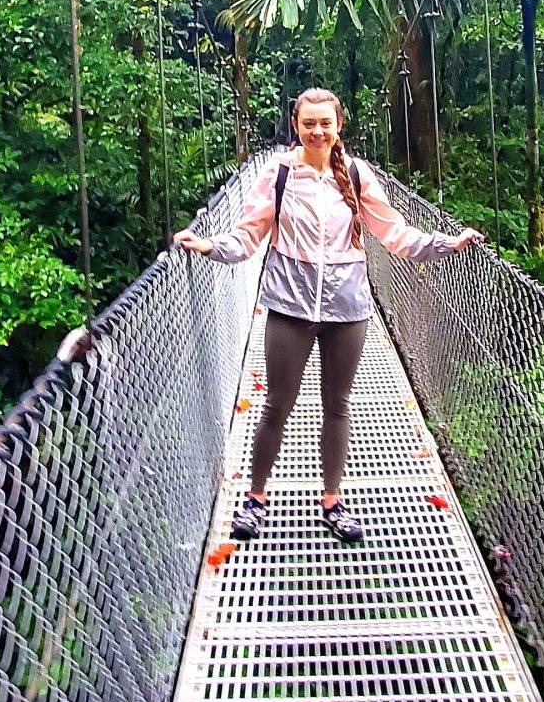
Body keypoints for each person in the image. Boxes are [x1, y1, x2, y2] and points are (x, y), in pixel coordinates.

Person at [173, 87, 484, 543]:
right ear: (295, 126)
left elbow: (392, 233)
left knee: (337, 405)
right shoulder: (278, 175)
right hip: (289, 307)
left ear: (340, 126)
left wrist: (445, 243)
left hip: (347, 309)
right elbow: (248, 234)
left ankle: (333, 502)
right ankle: (255, 499)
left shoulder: (356, 176)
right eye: (308, 123)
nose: (317, 131)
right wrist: (211, 246)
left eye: (325, 123)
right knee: (277, 405)